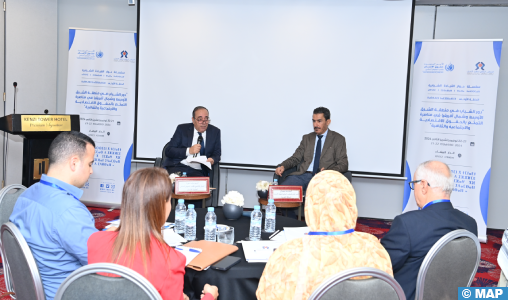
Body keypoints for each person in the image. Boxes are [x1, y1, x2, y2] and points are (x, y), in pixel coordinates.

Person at [256, 171, 393, 300]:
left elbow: (266, 295)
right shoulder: (375, 249)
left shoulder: (287, 253)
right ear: (351, 204)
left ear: (309, 205)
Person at [88, 167, 219, 300]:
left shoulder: (95, 241)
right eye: (169, 200)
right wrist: (209, 296)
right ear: (162, 206)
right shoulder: (171, 261)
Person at [9, 131, 99, 300]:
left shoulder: (26, 195)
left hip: (31, 291)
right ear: (74, 163)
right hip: (68, 294)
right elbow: (102, 262)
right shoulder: (70, 211)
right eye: (90, 164)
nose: (92, 171)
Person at [381, 160, 478, 300]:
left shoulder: (407, 224)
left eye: (413, 185)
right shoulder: (470, 224)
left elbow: (381, 265)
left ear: (424, 186)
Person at [275, 107, 348, 194]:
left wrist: (327, 172)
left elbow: (343, 164)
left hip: (323, 179)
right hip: (302, 176)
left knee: (317, 199)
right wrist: (282, 166)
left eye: (319, 121)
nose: (315, 125)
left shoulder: (338, 139)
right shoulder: (307, 138)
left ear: (328, 122)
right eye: (314, 121)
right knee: (281, 193)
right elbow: (295, 158)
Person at [162, 106, 221, 208]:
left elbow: (217, 154)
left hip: (197, 170)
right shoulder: (182, 129)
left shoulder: (215, 132)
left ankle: (195, 217)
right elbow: (169, 150)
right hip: (178, 166)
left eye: (206, 119)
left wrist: (212, 159)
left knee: (198, 188)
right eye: (200, 119)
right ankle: (173, 215)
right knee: (176, 185)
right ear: (193, 120)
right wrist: (189, 151)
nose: (203, 122)